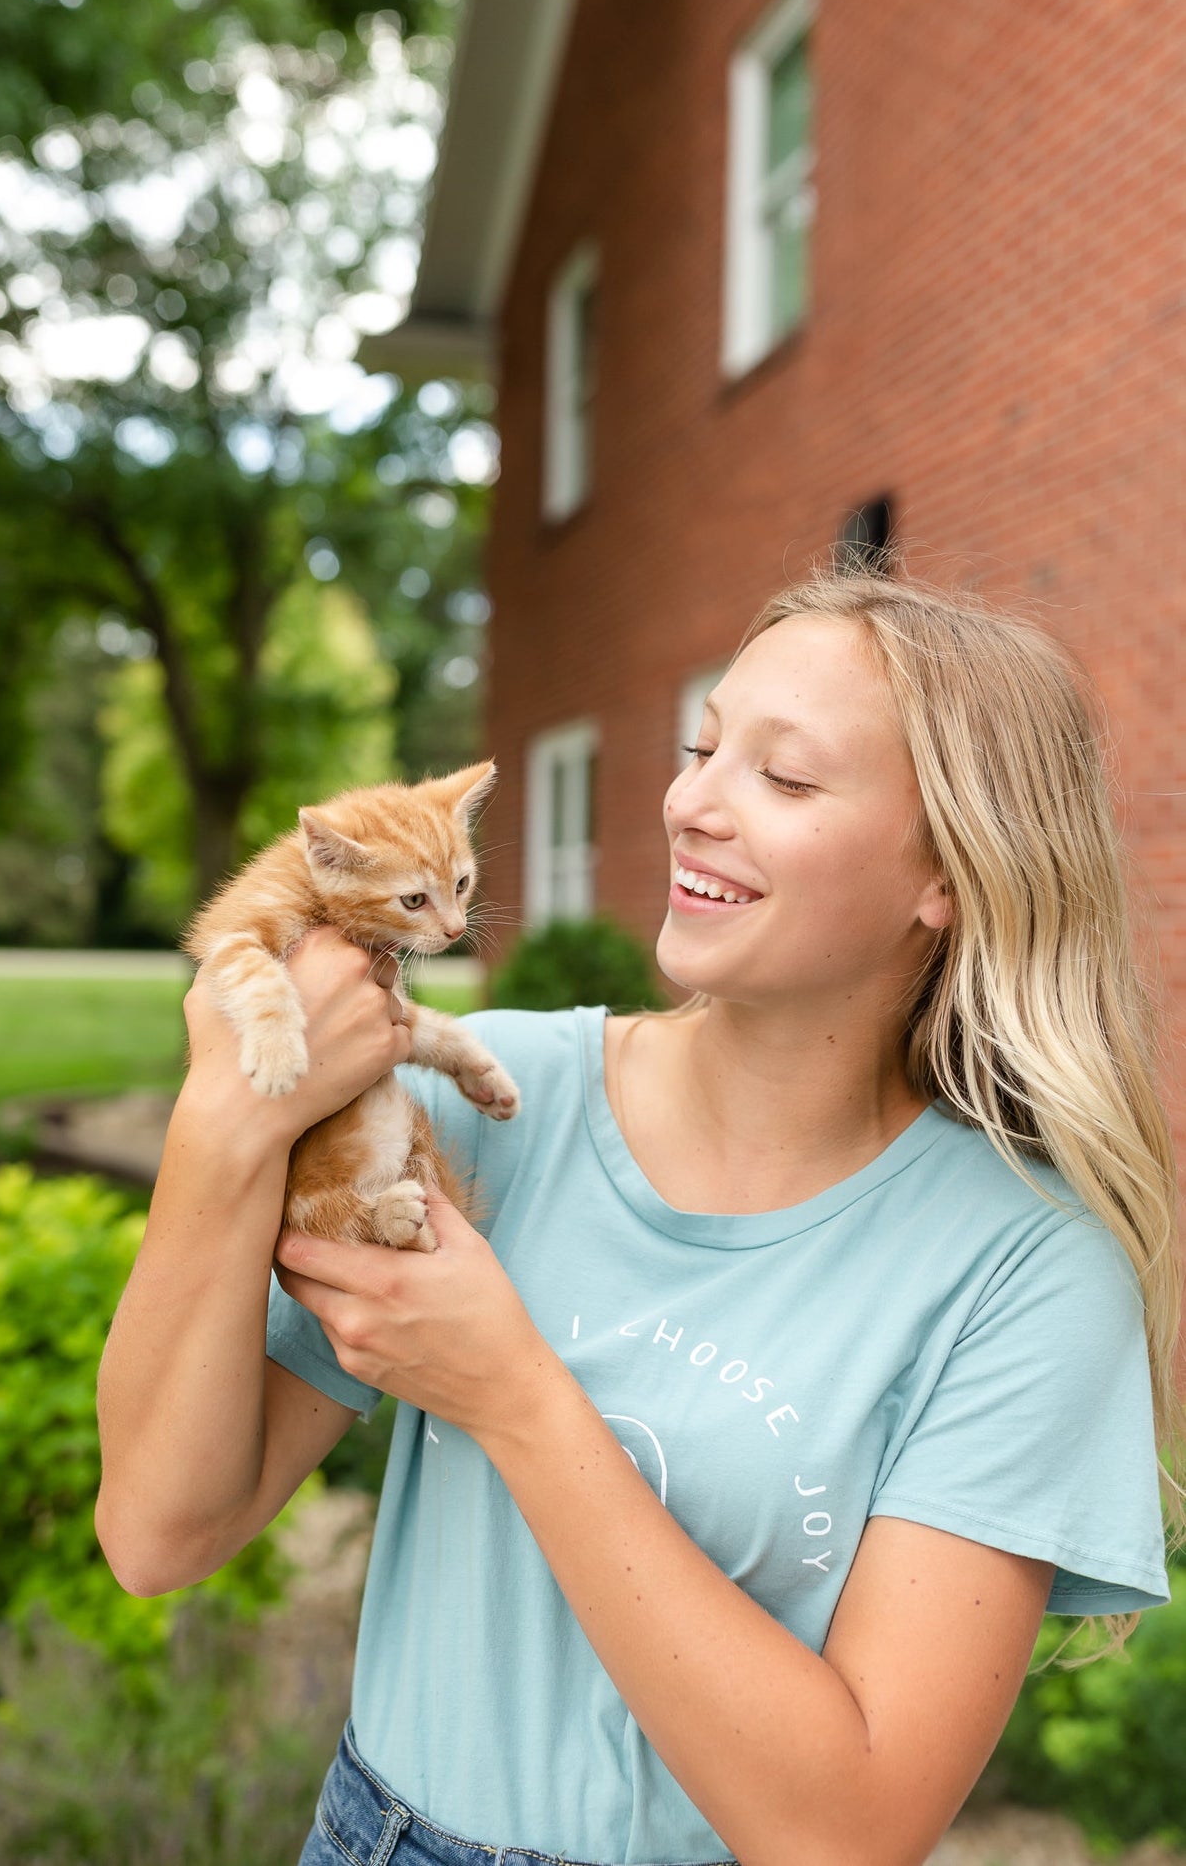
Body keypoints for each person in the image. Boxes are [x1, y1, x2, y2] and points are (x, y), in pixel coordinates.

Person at [95, 568, 1180, 1866]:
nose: (691, 806)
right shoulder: (504, 1096)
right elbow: (162, 1530)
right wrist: (226, 1122)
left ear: (946, 872)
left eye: (782, 780)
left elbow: (846, 1831)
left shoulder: (1026, 1266)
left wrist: (508, 1390)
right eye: (701, 747)